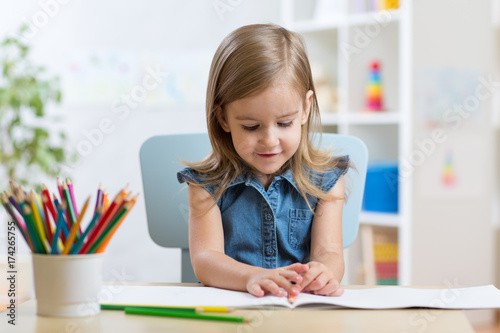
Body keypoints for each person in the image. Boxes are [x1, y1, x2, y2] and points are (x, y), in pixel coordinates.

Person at [177, 23, 350, 299]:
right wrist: (252, 276)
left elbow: (329, 253)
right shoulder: (206, 185)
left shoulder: (327, 181)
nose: (269, 140)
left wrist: (325, 272)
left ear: (305, 109)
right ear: (222, 117)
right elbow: (205, 261)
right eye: (251, 126)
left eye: (284, 123)